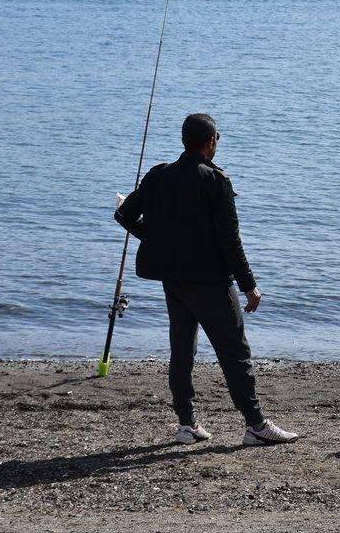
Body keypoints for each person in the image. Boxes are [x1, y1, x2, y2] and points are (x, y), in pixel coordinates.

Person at [115, 113, 298, 447]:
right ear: (211, 140)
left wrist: (154, 241)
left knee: (182, 350)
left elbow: (123, 214)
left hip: (174, 281)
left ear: (185, 140)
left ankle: (187, 424)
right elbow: (230, 242)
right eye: (217, 139)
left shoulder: (158, 175)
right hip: (212, 283)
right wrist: (249, 285)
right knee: (235, 352)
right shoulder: (216, 181)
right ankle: (255, 425)